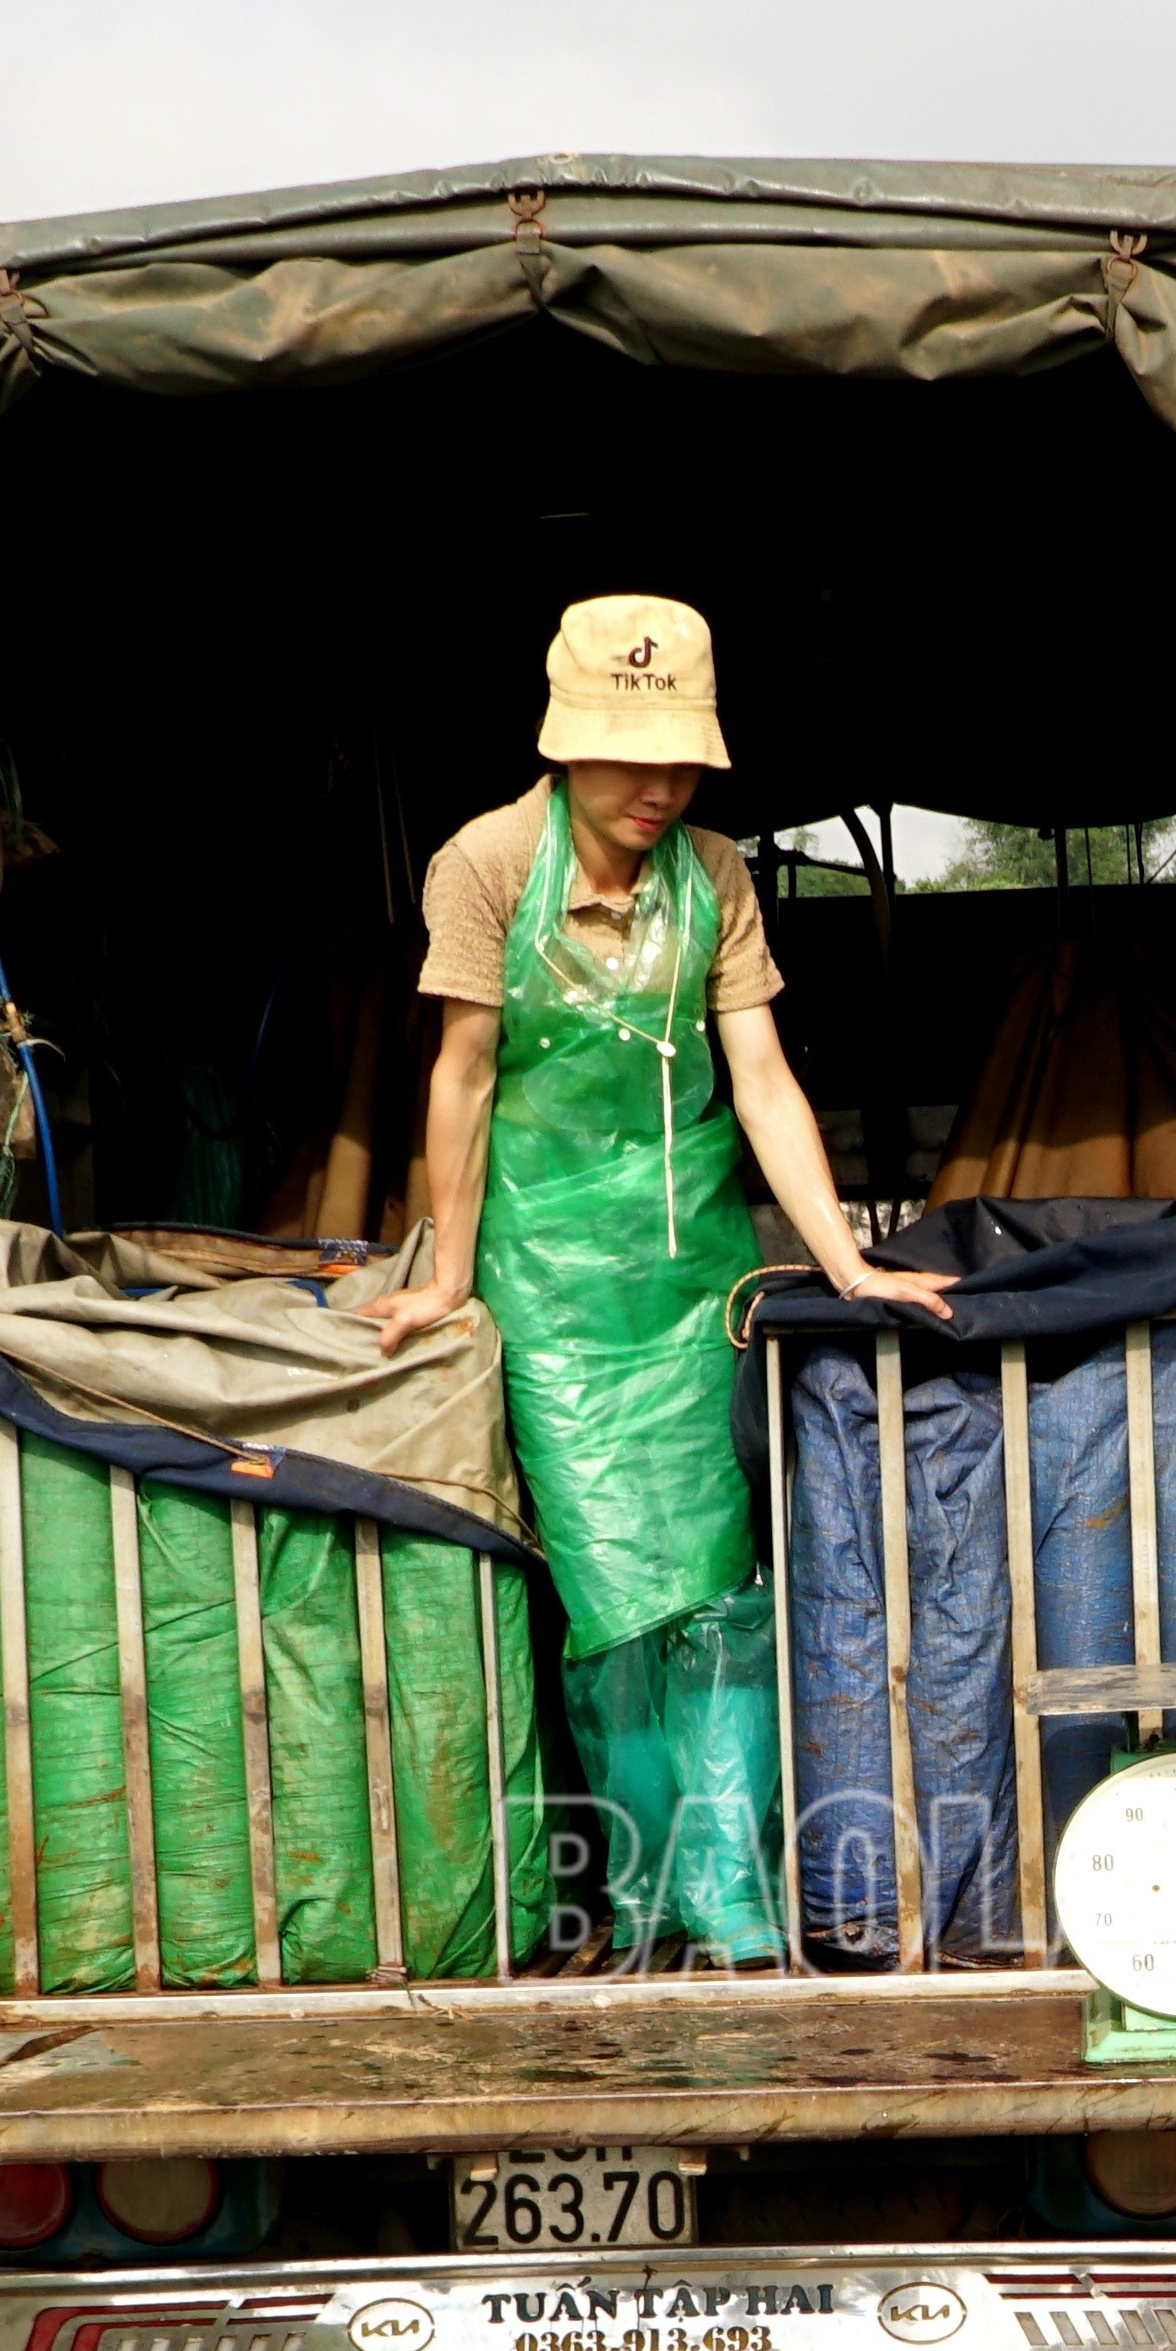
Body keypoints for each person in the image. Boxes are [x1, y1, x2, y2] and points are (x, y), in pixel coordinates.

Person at [365, 593, 953, 1966]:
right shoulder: (488, 863)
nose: (657, 786)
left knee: (719, 1586)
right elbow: (461, 1075)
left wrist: (844, 1257)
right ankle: (641, 1894)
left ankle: (733, 1895)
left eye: (678, 760)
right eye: (631, 757)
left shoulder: (718, 877)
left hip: (693, 1278)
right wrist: (451, 1275)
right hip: (550, 1288)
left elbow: (759, 1073)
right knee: (619, 1591)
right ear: (566, 744)